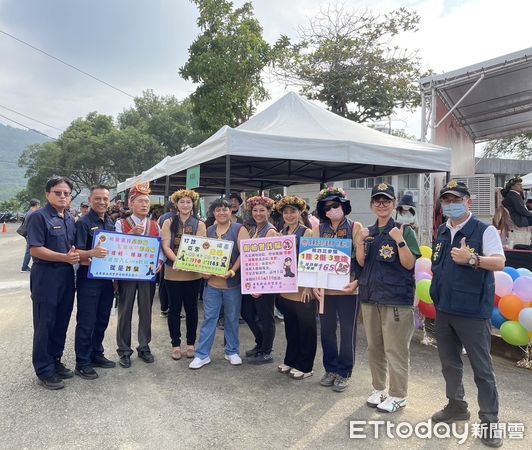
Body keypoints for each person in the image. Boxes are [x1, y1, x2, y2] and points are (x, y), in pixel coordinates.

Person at [430, 180, 505, 448]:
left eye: (456, 199)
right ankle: (456, 405)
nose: (451, 205)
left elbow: (499, 262)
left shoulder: (485, 230)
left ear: (469, 202)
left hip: (473, 312)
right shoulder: (441, 230)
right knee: (449, 364)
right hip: (445, 310)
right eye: (447, 201)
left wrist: (472, 259)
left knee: (482, 370)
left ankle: (489, 421)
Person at [355, 183, 420, 412]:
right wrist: (361, 241)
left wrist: (399, 240)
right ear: (372, 205)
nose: (382, 205)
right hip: (370, 297)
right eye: (377, 201)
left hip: (395, 300)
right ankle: (379, 389)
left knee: (396, 349)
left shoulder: (405, 230)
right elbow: (361, 263)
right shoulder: (369, 232)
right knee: (375, 348)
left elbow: (409, 263)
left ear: (394, 205)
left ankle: (398, 394)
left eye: (386, 201)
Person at [25, 176, 80, 390]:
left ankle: (55, 361)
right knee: (45, 323)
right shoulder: (38, 217)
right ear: (48, 194)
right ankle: (44, 369)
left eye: (66, 193)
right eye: (58, 192)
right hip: (45, 276)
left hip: (66, 276)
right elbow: (36, 249)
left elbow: (73, 248)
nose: (63, 196)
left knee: (61, 321)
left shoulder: (68, 218)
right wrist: (65, 258)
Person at [189, 198, 250, 369]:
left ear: (231, 211)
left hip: (232, 284)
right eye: (218, 210)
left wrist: (232, 271)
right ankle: (202, 354)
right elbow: (200, 254)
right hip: (212, 285)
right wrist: (203, 271)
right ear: (213, 213)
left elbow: (244, 254)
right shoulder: (209, 230)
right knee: (210, 319)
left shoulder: (239, 229)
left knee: (231, 318)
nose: (221, 212)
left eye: (225, 209)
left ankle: (232, 351)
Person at [312, 187, 362, 392]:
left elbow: (361, 260)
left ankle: (344, 372)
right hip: (325, 290)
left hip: (348, 288)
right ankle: (330, 368)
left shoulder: (355, 227)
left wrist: (357, 282)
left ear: (343, 206)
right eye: (327, 207)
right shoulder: (317, 230)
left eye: (335, 205)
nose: (332, 209)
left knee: (348, 331)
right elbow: (311, 258)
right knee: (326, 331)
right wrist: (314, 283)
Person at [115, 183, 162, 368]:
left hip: (146, 274)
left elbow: (159, 248)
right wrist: (129, 236)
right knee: (125, 310)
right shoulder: (121, 223)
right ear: (131, 204)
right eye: (140, 201)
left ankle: (144, 345)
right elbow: (115, 247)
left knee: (146, 310)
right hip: (127, 274)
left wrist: (159, 262)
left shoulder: (154, 225)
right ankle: (124, 350)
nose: (144, 205)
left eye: (147, 202)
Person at [73, 185, 116, 380]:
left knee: (102, 319)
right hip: (88, 280)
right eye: (98, 198)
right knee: (86, 321)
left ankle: (96, 353)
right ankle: (82, 362)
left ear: (110, 201)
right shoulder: (83, 222)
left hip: (107, 279)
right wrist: (92, 253)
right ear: (90, 200)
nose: (102, 202)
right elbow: (75, 252)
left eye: (105, 199)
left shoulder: (109, 221)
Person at [161, 189, 206, 361]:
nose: (185, 205)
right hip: (173, 272)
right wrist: (178, 262)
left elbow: (202, 247)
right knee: (174, 309)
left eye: (188, 202)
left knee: (192, 309)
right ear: (176, 204)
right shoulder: (168, 222)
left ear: (192, 204)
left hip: (193, 274)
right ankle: (175, 344)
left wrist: (188, 263)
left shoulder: (199, 224)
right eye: (182, 202)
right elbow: (166, 246)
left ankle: (190, 343)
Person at [275, 196, 316, 379]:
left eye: (293, 211)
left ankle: (306, 366)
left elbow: (311, 261)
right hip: (286, 288)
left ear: (300, 213)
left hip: (302, 290)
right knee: (291, 327)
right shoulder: (281, 232)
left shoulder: (306, 232)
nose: (289, 215)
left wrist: (308, 286)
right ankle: (291, 359)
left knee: (306, 328)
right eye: (286, 212)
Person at [241, 195, 279, 364]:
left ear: (269, 212)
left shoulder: (270, 231)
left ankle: (266, 350)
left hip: (265, 282)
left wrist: (261, 287)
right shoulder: (254, 230)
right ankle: (260, 343)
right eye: (255, 210)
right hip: (253, 279)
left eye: (262, 210)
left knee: (266, 316)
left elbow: (271, 260)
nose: (258, 214)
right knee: (247, 312)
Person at [157, 201, 176, 318]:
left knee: (163, 283)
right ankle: (167, 307)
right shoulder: (169, 219)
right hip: (169, 256)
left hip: (164, 256)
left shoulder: (161, 217)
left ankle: (164, 307)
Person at [20, 198, 41, 272]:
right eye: (39, 204)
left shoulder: (28, 212)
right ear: (37, 204)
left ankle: (29, 265)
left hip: (28, 234)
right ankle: (24, 267)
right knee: (29, 251)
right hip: (30, 234)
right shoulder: (32, 214)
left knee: (31, 250)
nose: (39, 206)